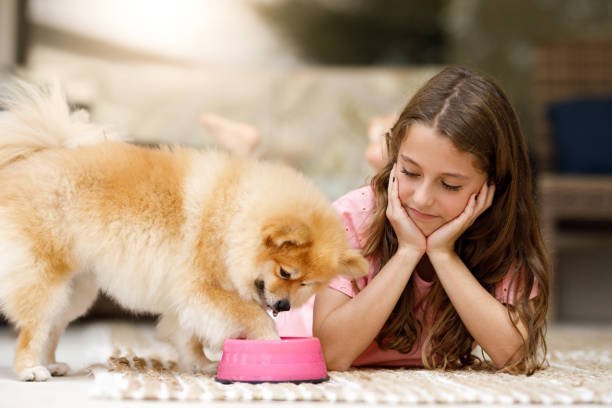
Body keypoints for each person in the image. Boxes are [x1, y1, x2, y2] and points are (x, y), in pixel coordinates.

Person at [281, 65, 550, 376]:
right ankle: (375, 149)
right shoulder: (348, 217)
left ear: (492, 184)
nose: (422, 199)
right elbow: (331, 355)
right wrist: (408, 252)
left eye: (450, 185)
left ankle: (381, 149)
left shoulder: (497, 229)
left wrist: (443, 255)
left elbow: (514, 354)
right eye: (409, 171)